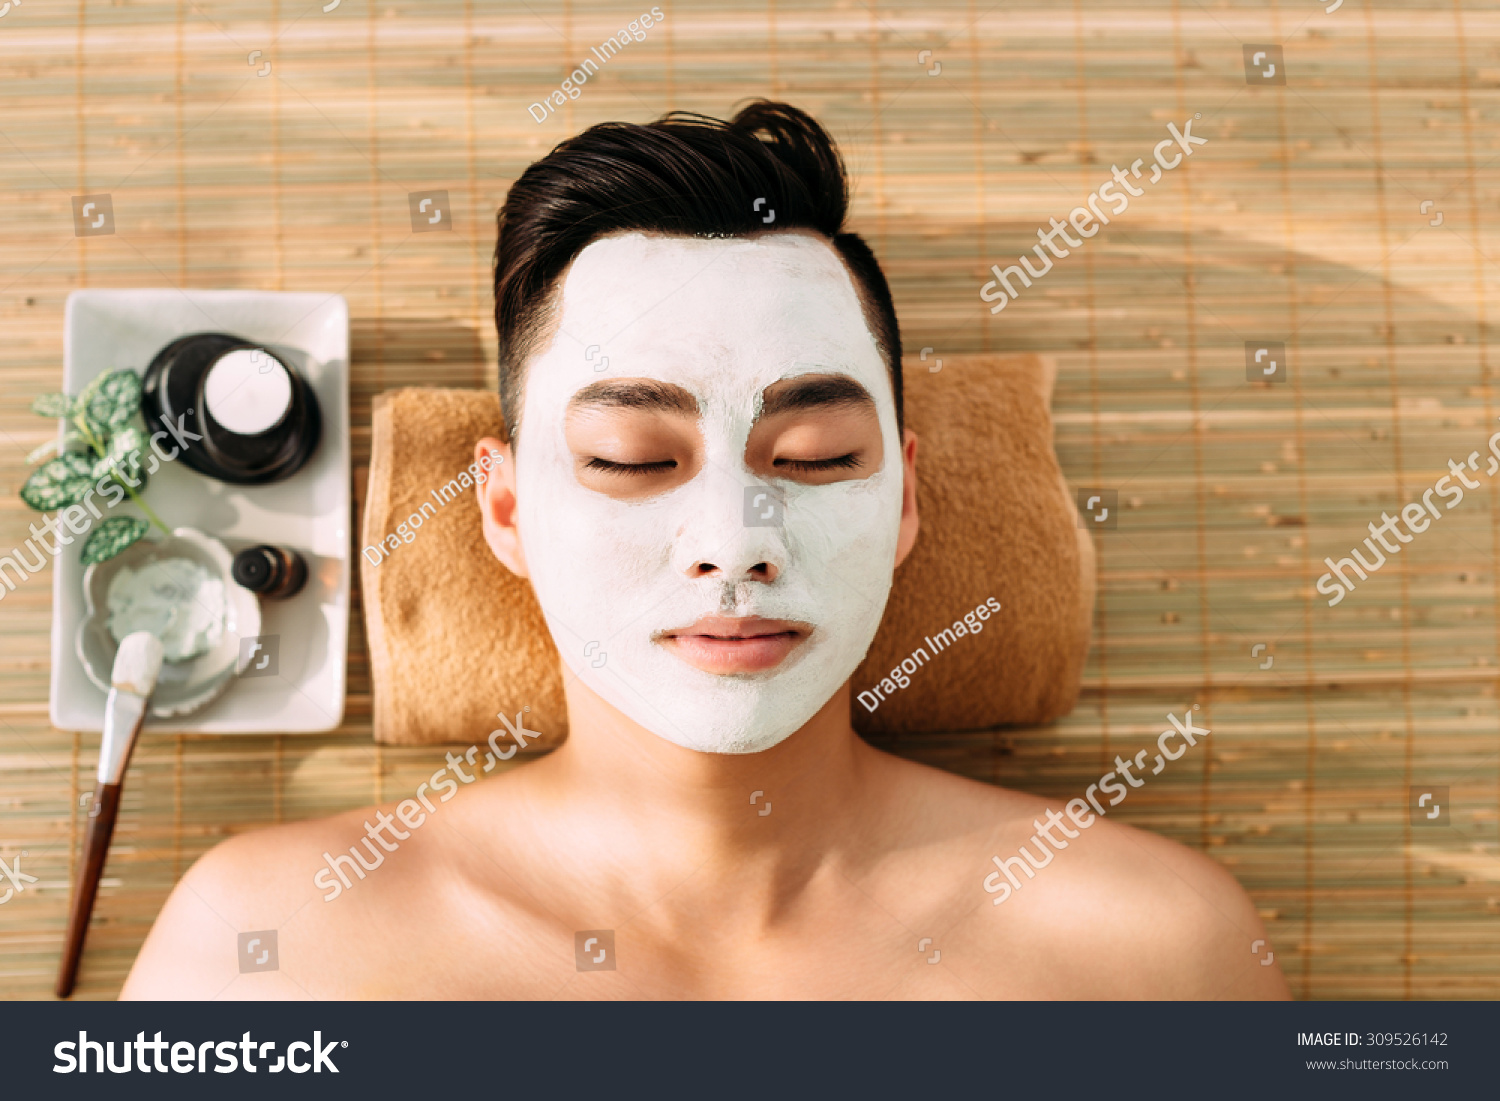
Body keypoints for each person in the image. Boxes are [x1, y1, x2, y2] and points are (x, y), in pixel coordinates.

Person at [122, 102, 1287, 1000]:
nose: (734, 544)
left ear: (906, 500)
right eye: (634, 458)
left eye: (820, 455)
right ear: (507, 510)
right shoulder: (268, 952)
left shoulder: (1152, 953)